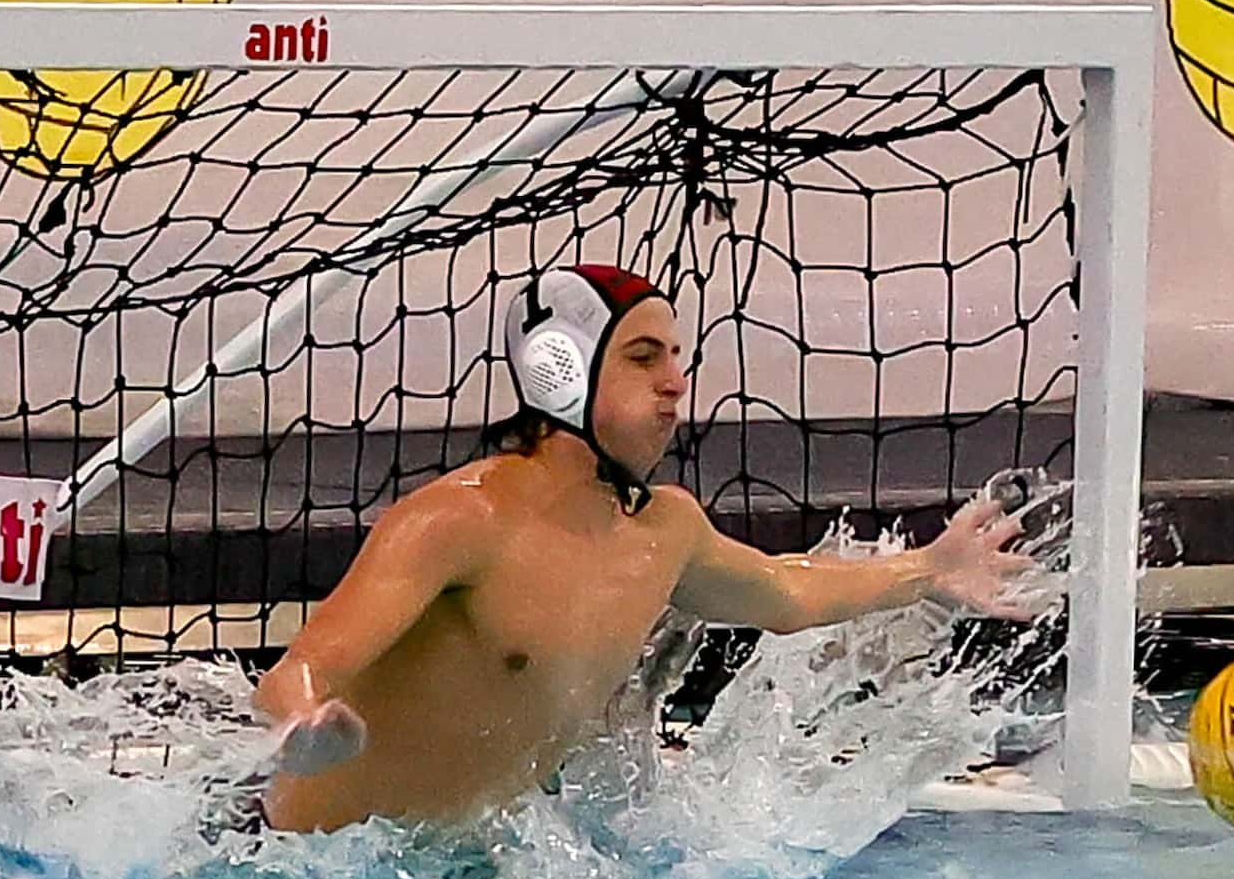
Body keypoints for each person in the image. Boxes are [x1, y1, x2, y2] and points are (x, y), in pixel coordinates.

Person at [249, 263, 1045, 832]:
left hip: (458, 877)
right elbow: (301, 667)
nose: (674, 380)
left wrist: (931, 569)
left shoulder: (662, 530)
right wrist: (306, 730)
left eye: (675, 358)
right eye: (642, 357)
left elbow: (788, 593)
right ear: (560, 373)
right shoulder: (460, 522)